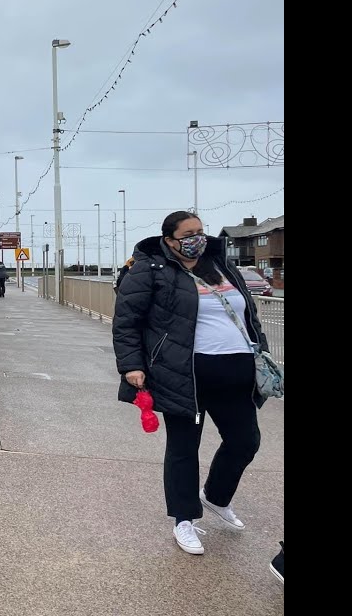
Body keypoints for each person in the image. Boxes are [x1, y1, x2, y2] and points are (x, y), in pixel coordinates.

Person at [112, 210, 273, 556]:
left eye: (200, 231)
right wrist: (131, 365)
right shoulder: (151, 269)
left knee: (245, 441)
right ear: (169, 240)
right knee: (185, 447)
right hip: (187, 377)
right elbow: (127, 321)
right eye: (188, 234)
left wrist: (261, 349)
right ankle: (183, 519)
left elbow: (249, 315)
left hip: (237, 375)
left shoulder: (220, 265)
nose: (197, 239)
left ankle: (216, 496)